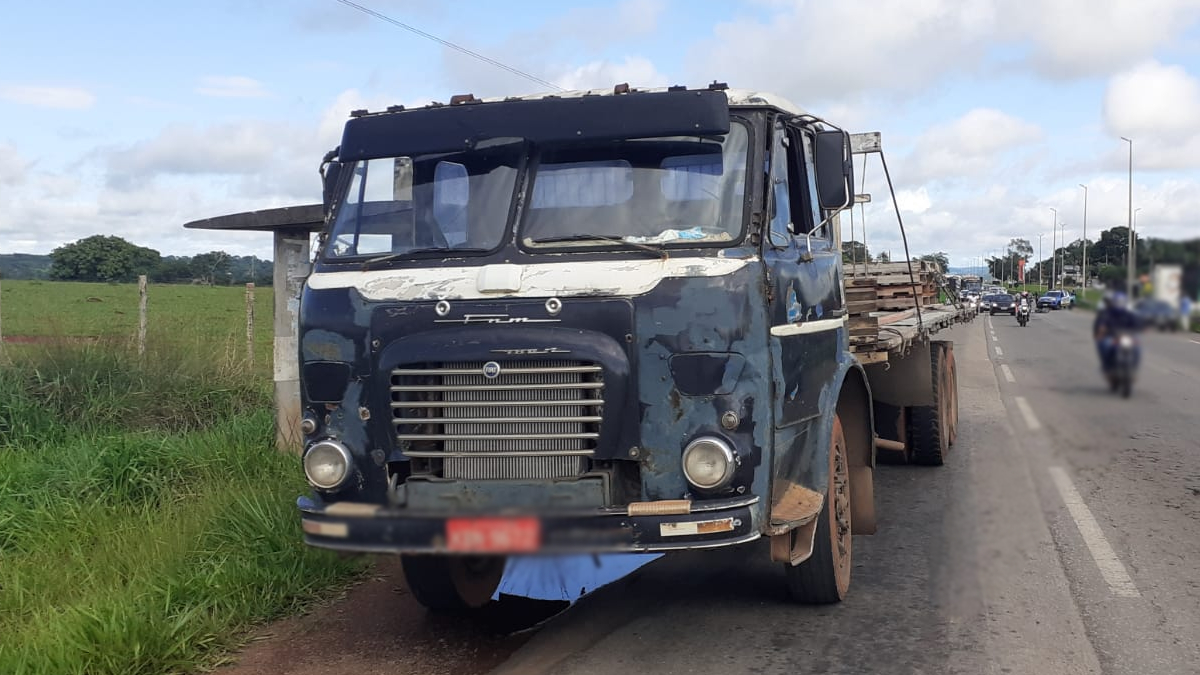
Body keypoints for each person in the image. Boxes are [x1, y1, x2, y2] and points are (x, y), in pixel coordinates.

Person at [1093, 291, 1142, 372]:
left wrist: (1141, 327)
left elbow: (1136, 323)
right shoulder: (1108, 313)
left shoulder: (1128, 314)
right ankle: (1106, 365)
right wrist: (1102, 328)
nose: (1120, 304)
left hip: (1126, 336)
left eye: (1122, 302)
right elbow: (1102, 322)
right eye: (1118, 302)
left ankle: (1134, 367)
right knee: (1105, 345)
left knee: (1137, 347)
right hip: (1111, 336)